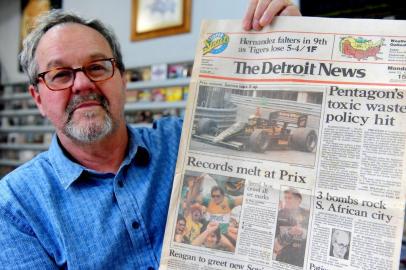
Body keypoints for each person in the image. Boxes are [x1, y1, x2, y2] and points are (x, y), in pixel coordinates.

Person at [0, 1, 300, 268]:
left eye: (97, 67)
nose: (82, 84)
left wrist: (300, 39)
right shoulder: (15, 206)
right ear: (37, 98)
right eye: (61, 74)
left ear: (122, 80)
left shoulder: (181, 140)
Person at [274, 188, 309, 267]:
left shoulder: (307, 214)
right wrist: (289, 233)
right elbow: (274, 239)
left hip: (300, 260)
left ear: (298, 200)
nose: (286, 200)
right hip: (282, 258)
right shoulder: (280, 213)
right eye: (285, 197)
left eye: (289, 198)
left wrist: (302, 232)